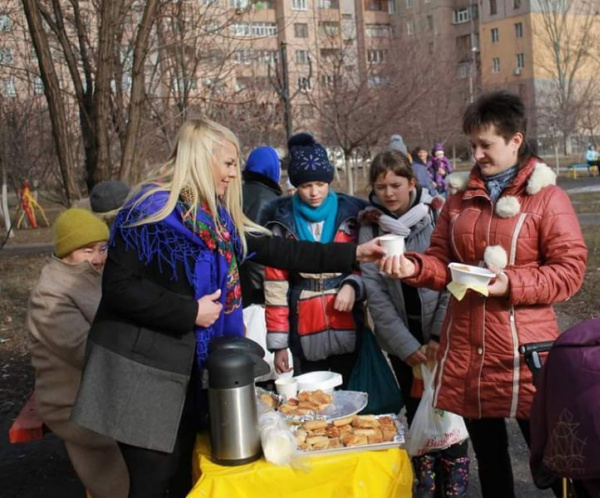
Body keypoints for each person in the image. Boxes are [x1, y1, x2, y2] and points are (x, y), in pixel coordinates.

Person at [71, 118, 385, 498]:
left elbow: (281, 249)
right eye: (229, 163)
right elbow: (118, 288)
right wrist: (189, 311)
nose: (235, 174)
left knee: (179, 478)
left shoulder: (216, 221)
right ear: (202, 160)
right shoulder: (149, 213)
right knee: (153, 483)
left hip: (182, 374)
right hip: (140, 374)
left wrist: (354, 252)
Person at [379, 91, 588, 498]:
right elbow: (441, 260)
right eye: (471, 144)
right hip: (470, 351)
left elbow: (569, 272)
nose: (476, 154)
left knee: (555, 462)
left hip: (525, 353)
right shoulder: (459, 200)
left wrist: (511, 283)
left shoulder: (548, 199)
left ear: (515, 140)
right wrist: (413, 267)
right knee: (491, 464)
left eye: (486, 145)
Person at [358, 150, 469, 497]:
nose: (389, 193)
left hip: (441, 331)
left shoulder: (437, 215)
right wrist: (406, 347)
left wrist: (438, 335)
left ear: (411, 182)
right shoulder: (369, 225)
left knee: (449, 407)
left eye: (396, 184)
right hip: (402, 339)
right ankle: (427, 478)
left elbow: (453, 279)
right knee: (416, 404)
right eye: (381, 186)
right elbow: (374, 293)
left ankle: (455, 478)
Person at [27, 208, 129, 498]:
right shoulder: (50, 298)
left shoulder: (93, 276)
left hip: (101, 389)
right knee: (128, 474)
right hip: (73, 403)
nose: (98, 258)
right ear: (66, 252)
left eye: (102, 248)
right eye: (87, 251)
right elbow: (87, 352)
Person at [260, 133, 368, 386]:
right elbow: (275, 286)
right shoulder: (282, 222)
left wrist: (353, 284)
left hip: (349, 322)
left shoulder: (352, 215)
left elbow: (367, 263)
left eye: (320, 183)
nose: (314, 192)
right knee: (313, 404)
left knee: (353, 400)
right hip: (304, 329)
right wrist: (279, 345)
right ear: (296, 185)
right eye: (306, 185)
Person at [239, 146, 282, 305]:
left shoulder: (237, 192)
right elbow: (257, 248)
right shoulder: (266, 200)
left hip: (240, 285)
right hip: (257, 293)